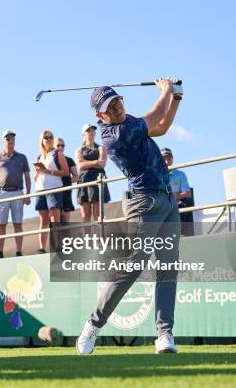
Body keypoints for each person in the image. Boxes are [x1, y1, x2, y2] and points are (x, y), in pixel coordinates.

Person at [76, 78, 183, 355]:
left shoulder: (130, 121)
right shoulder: (114, 135)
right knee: (134, 267)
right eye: (110, 107)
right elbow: (153, 118)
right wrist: (166, 90)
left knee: (168, 269)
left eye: (118, 101)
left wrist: (176, 98)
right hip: (143, 203)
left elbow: (162, 126)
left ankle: (164, 334)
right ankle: (93, 324)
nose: (117, 108)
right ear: (100, 116)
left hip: (168, 200)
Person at [0, 130, 31, 258]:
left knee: (18, 223)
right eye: (7, 139)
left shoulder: (22, 157)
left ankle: (18, 251)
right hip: (1, 193)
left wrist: (28, 194)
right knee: (1, 224)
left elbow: (27, 177)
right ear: (3, 141)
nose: (10, 141)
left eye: (12, 138)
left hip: (18, 192)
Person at [34, 130, 69, 253]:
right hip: (40, 190)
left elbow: (66, 172)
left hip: (54, 189)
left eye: (50, 137)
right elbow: (35, 178)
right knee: (43, 220)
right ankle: (42, 248)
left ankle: (58, 246)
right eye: (46, 137)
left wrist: (49, 171)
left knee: (55, 218)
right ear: (42, 141)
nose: (48, 139)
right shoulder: (39, 157)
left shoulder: (57, 154)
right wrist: (39, 171)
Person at [75, 124, 111, 223]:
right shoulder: (79, 150)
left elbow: (102, 163)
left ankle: (98, 238)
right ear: (83, 134)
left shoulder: (101, 148)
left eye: (93, 130)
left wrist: (87, 163)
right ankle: (87, 238)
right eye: (88, 131)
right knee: (85, 216)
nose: (91, 132)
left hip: (98, 179)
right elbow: (80, 165)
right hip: (84, 180)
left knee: (98, 214)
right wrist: (95, 162)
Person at [161, 148, 194, 233]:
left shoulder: (180, 174)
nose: (166, 162)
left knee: (188, 202)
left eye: (168, 159)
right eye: (164, 159)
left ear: (172, 159)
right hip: (161, 203)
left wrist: (176, 196)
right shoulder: (155, 174)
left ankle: (183, 232)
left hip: (176, 203)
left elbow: (187, 193)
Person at [55, 137, 79, 223]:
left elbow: (76, 176)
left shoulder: (69, 160)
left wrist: (67, 181)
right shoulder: (50, 160)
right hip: (54, 193)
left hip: (66, 192)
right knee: (55, 221)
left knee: (66, 222)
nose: (61, 147)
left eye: (63, 145)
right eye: (58, 145)